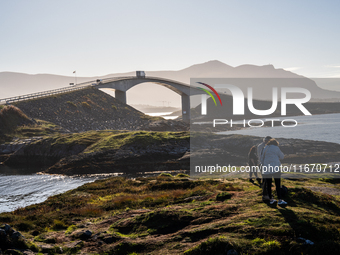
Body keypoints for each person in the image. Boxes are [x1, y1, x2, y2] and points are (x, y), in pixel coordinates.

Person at [261, 138, 287, 205]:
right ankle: (280, 200)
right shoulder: (276, 147)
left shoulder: (265, 148)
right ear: (276, 143)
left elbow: (262, 158)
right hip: (275, 168)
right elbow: (282, 156)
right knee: (277, 184)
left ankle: (271, 199)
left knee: (268, 185)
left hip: (267, 168)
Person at [257, 136, 272, 200]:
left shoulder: (260, 146)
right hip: (264, 164)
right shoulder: (264, 147)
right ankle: (265, 195)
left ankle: (265, 193)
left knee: (265, 179)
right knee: (266, 180)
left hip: (261, 164)